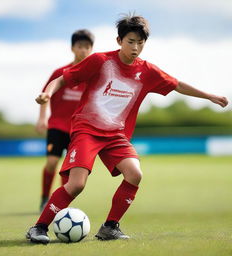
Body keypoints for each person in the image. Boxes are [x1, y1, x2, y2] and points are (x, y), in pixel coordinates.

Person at [26, 14, 228, 244]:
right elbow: (62, 79)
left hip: (115, 135)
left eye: (140, 43)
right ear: (119, 40)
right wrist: (47, 94)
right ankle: (39, 227)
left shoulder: (148, 71)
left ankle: (110, 227)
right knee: (76, 185)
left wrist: (209, 96)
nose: (136, 47)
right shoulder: (100, 61)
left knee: (135, 174)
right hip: (86, 130)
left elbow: (177, 84)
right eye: (130, 41)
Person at [36, 29, 94, 211]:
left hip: (77, 130)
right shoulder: (60, 73)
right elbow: (46, 94)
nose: (83, 50)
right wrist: (42, 117)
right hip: (56, 126)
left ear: (91, 49)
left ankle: (61, 203)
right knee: (52, 162)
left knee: (68, 169)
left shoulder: (92, 76)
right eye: (80, 46)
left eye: (87, 47)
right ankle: (45, 197)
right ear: (72, 48)